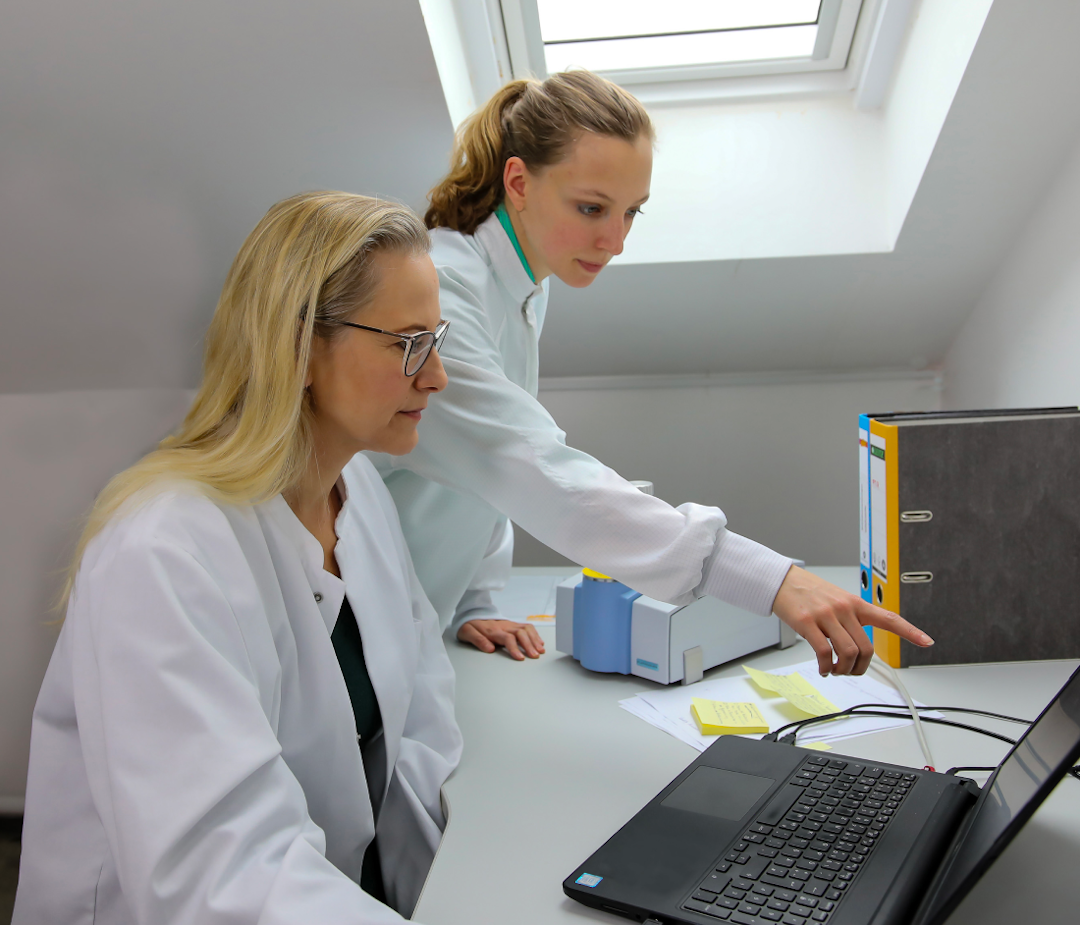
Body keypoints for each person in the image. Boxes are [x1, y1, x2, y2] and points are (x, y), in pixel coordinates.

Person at [370, 70, 933, 671]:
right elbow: (525, 461)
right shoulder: (444, 292)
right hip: (364, 620)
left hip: (420, 621)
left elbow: (478, 460)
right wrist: (771, 581)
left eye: (631, 212)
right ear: (518, 182)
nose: (615, 241)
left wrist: (474, 601)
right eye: (592, 208)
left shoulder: (525, 283)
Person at [13, 192, 462, 925]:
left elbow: (419, 711)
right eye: (409, 343)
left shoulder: (362, 493)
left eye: (436, 338)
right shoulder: (161, 553)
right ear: (299, 347)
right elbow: (221, 875)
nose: (437, 375)